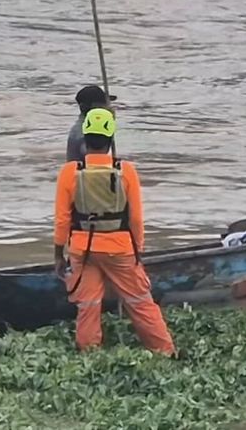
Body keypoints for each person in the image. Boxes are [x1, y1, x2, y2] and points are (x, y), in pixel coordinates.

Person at [53, 107, 175, 355]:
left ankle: (89, 353)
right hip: (120, 249)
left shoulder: (69, 172)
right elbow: (136, 218)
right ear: (111, 140)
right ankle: (164, 351)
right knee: (140, 302)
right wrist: (137, 250)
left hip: (82, 249)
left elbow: (62, 220)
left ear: (85, 140)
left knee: (87, 304)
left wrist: (58, 254)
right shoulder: (126, 171)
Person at [67, 85, 116, 162]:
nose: (107, 107)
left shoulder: (85, 127)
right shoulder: (81, 132)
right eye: (103, 105)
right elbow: (96, 155)